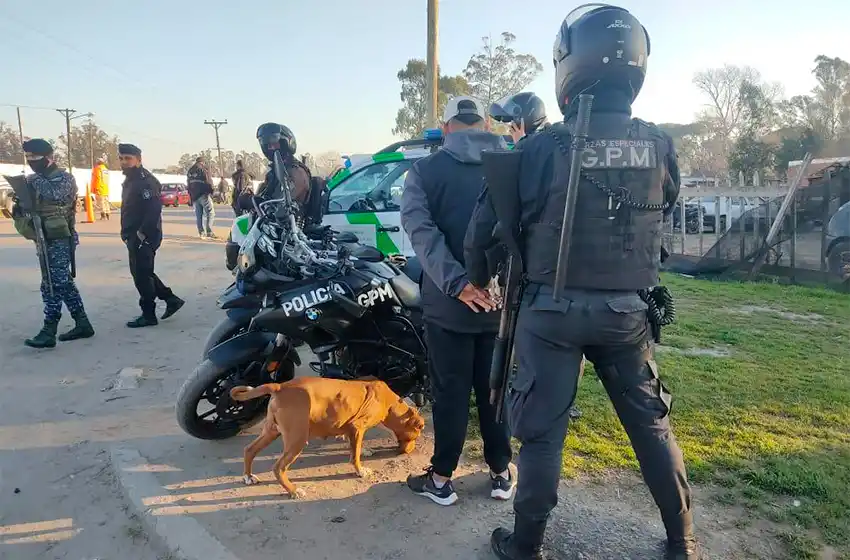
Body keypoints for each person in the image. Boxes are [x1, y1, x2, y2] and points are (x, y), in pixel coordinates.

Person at [464, 6, 695, 560]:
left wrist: (479, 280)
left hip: (549, 315)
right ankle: (682, 541)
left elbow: (483, 235)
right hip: (627, 313)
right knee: (651, 426)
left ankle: (526, 545)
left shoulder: (540, 147)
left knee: (542, 435)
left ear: (569, 65)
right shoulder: (658, 144)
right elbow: (664, 207)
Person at [400, 96, 514, 507]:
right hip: (501, 306)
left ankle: (442, 478)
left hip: (449, 308)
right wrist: (494, 284)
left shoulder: (424, 171)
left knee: (450, 392)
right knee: (495, 389)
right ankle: (501, 472)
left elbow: (422, 233)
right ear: (484, 123)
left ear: (446, 128)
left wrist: (459, 284)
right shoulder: (511, 163)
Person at [490, 92, 585, 420]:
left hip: (543, 269)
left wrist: (519, 147)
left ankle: (553, 396)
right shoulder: (554, 145)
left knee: (538, 342)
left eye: (509, 123)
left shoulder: (542, 150)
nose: (506, 130)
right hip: (555, 267)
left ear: (523, 121)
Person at [12, 139, 95, 348]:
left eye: (36, 158)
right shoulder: (35, 179)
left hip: (60, 237)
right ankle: (83, 323)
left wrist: (32, 180)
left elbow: (54, 193)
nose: (32, 162)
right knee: (63, 282)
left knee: (51, 283)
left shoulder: (65, 178)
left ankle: (49, 330)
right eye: (28, 158)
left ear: (49, 158)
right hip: (42, 236)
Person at [119, 143, 185, 328]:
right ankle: (171, 299)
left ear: (138, 160)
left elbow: (153, 209)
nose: (124, 162)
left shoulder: (146, 181)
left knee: (142, 276)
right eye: (122, 158)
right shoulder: (131, 180)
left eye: (128, 158)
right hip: (133, 233)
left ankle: (148, 314)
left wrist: (142, 234)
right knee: (143, 272)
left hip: (145, 235)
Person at [254, 123, 316, 226]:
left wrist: (277, 207)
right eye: (267, 145)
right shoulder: (274, 172)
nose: (271, 148)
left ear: (286, 143)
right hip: (272, 228)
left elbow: (285, 199)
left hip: (290, 231)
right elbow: (265, 198)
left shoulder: (296, 171)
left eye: (275, 143)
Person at [186, 156, 217, 239]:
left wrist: (190, 196)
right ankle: (209, 232)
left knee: (199, 215)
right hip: (203, 195)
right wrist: (212, 191)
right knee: (210, 213)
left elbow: (188, 185)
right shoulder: (203, 169)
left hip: (194, 196)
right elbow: (208, 181)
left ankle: (201, 233)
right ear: (202, 162)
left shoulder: (190, 171)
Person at [91, 156, 111, 220]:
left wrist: (96, 188)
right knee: (106, 202)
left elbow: (97, 179)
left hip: (99, 188)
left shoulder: (97, 169)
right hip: (106, 188)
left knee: (101, 202)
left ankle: (103, 215)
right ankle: (108, 213)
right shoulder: (105, 169)